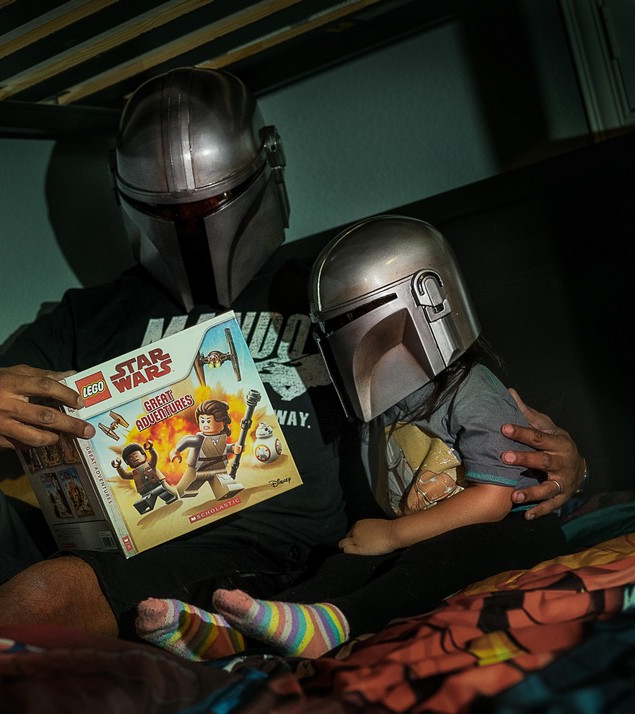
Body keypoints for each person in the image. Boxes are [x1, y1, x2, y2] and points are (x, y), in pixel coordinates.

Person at [0, 68, 586, 642]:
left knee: (52, 594)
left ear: (264, 175)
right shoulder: (86, 314)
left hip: (243, 554)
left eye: (211, 205)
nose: (193, 231)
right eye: (168, 214)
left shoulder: (331, 285)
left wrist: (557, 462)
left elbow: (459, 404)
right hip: (64, 529)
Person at [135, 214, 570, 660]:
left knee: (430, 563)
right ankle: (234, 632)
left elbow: (494, 500)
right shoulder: (381, 402)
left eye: (356, 318)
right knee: (343, 566)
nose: (347, 338)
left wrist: (395, 535)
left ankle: (339, 623)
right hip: (418, 532)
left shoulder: (472, 390)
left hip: (509, 531)